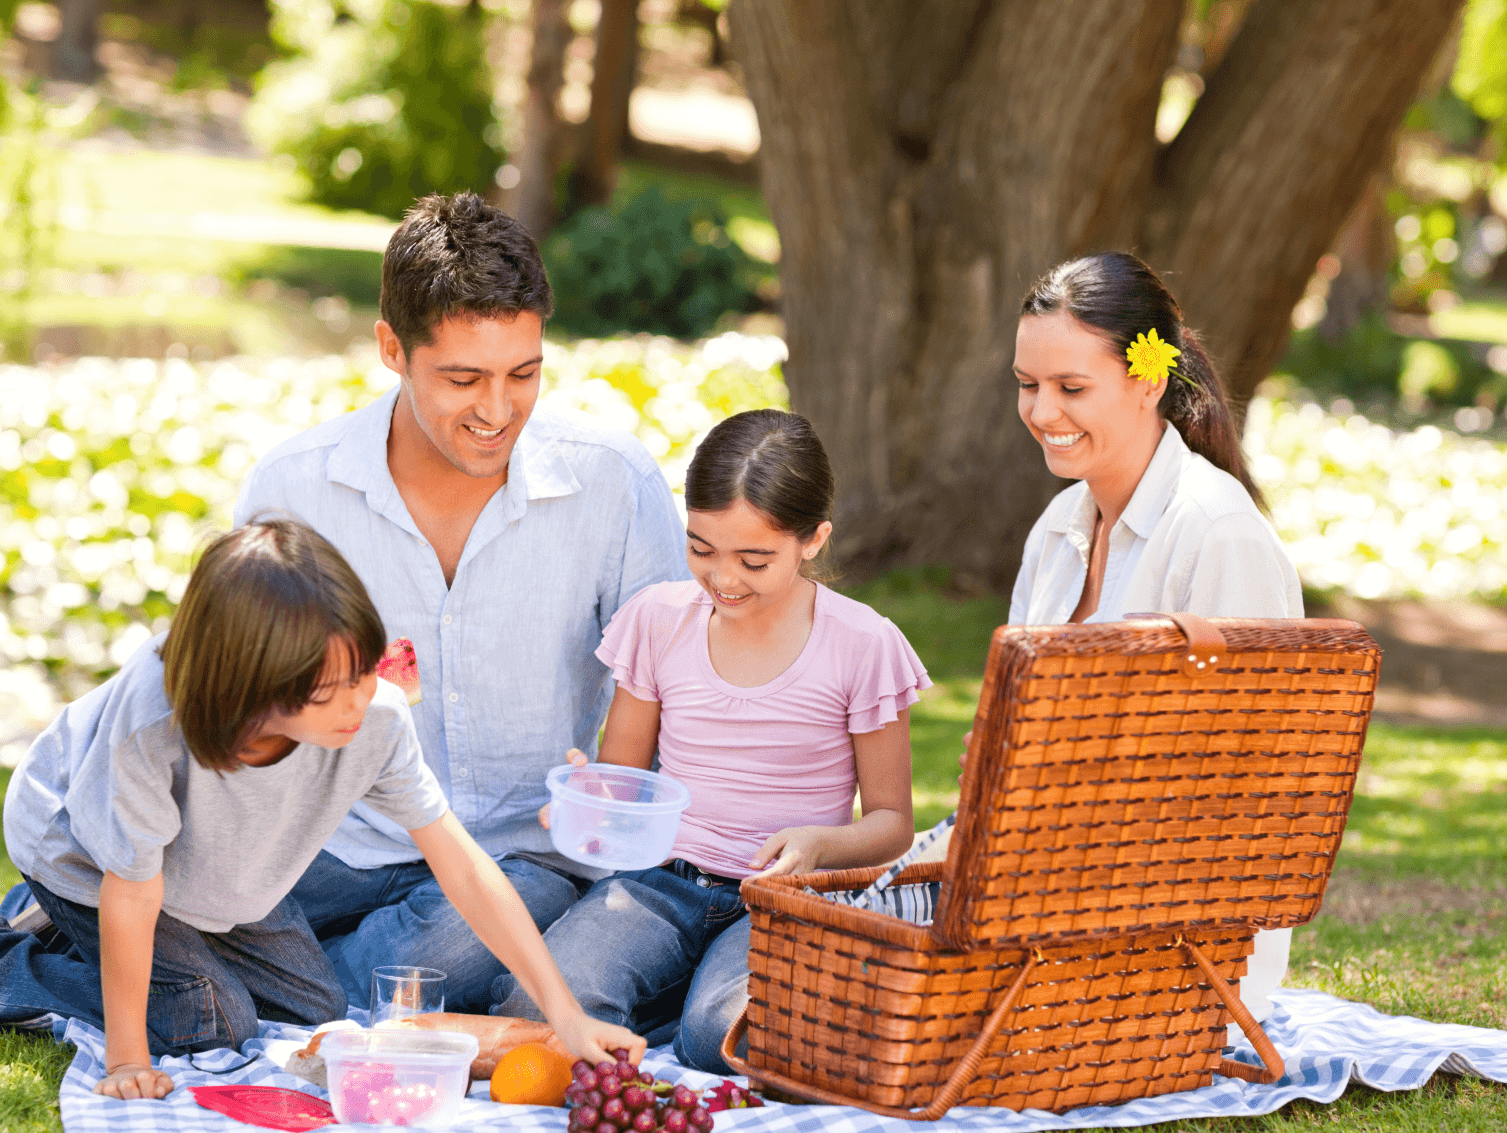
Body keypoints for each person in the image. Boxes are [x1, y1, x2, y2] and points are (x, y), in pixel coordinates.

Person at [229, 192, 688, 1013]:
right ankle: (247, 971)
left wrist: (616, 786)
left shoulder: (614, 483)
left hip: (526, 855)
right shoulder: (294, 487)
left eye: (524, 373)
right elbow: (248, 697)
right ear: (390, 349)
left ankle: (251, 982)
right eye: (462, 378)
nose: (497, 410)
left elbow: (678, 682)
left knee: (453, 944)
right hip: (336, 845)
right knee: (190, 896)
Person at [0, 521, 644, 1101]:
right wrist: (125, 1058)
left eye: (363, 671)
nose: (357, 703)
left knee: (315, 1011)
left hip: (219, 869)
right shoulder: (155, 731)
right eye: (326, 692)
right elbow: (133, 894)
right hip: (84, 853)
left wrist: (565, 1013)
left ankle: (75, 937)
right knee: (211, 1023)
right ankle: (17, 957)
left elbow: (463, 866)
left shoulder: (375, 717)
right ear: (249, 686)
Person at [491, 409, 928, 1073]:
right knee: (536, 1001)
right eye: (701, 548)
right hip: (661, 883)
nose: (723, 578)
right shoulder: (658, 619)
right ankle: (667, 991)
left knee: (717, 1038)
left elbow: (894, 824)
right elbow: (624, 777)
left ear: (812, 539)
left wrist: (820, 843)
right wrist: (590, 799)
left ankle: (687, 1002)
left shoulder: (863, 643)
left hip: (785, 899)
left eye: (754, 559)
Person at [1008, 250, 1301, 1029]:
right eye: (1027, 384)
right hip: (1046, 896)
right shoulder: (1056, 529)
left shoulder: (1216, 532)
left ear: (1146, 381)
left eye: (1071, 388)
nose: (1042, 412)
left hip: (1178, 942)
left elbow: (1250, 782)